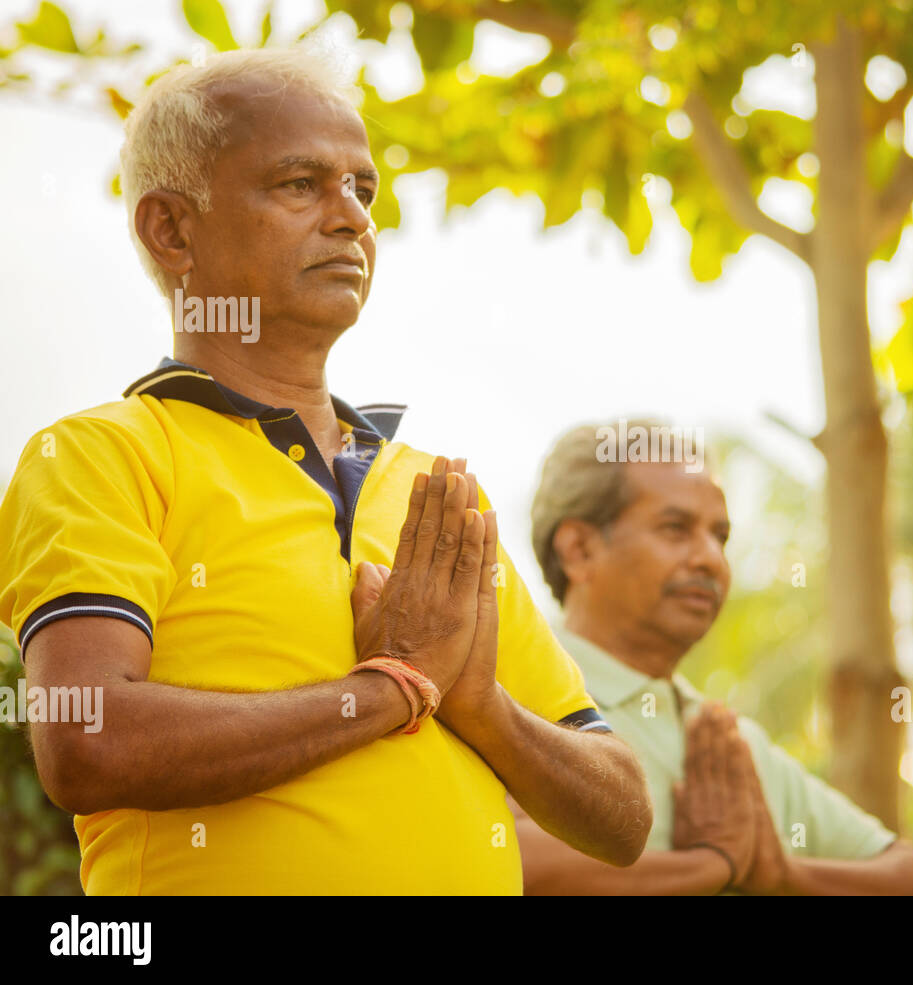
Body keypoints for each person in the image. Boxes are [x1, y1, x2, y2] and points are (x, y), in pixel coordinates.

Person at [0, 48, 650, 895]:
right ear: (171, 229)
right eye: (299, 184)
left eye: (363, 189)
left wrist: (480, 701)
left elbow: (624, 816)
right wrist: (392, 688)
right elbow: (86, 737)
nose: (352, 219)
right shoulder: (104, 454)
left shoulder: (437, 498)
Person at [517, 420, 913, 894]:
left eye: (720, 536)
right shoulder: (503, 692)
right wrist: (711, 866)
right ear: (579, 550)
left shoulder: (725, 745)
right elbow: (502, 864)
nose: (710, 558)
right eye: (675, 529)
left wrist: (777, 873)